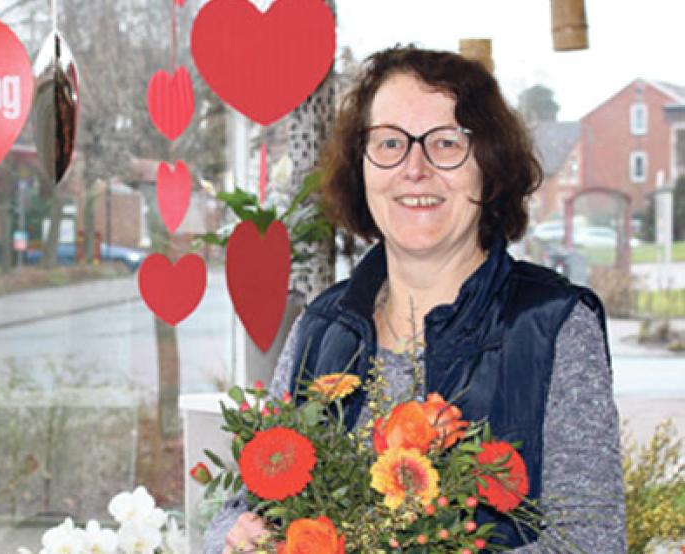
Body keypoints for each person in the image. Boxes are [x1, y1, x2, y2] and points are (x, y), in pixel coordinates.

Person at [203, 46, 625, 553]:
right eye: (389, 143)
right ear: (361, 167)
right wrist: (232, 539)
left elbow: (590, 541)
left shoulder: (554, 326)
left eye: (446, 143)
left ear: (489, 165)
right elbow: (241, 505)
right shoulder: (320, 328)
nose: (415, 168)